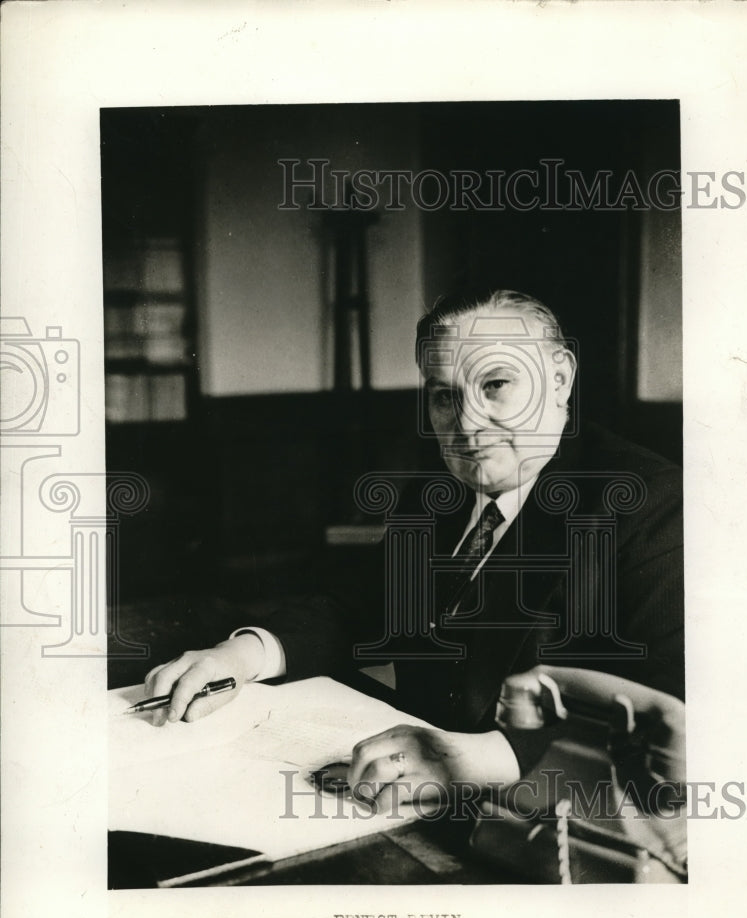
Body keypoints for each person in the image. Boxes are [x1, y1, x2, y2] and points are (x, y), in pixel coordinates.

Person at [144, 289, 683, 809]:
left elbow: (674, 712)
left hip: (548, 821)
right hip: (400, 793)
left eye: (496, 384)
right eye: (446, 396)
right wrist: (241, 654)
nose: (468, 423)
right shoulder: (438, 489)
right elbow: (357, 606)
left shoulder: (648, 503)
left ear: (560, 377)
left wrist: (472, 760)